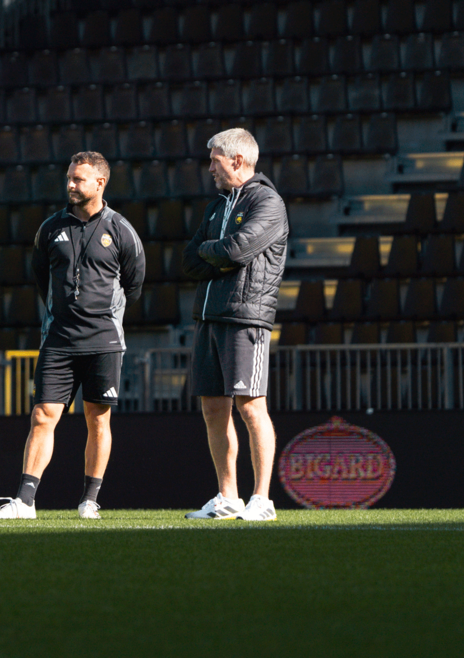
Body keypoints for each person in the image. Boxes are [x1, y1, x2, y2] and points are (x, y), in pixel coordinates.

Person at [0, 152, 145, 520]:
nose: (71, 184)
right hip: (58, 339)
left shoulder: (121, 229)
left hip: (104, 340)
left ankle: (90, 500)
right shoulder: (50, 228)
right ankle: (25, 501)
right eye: (70, 178)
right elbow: (41, 278)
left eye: (79, 179)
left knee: (98, 419)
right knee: (42, 415)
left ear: (100, 183)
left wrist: (105, 315)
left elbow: (134, 284)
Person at [182, 128, 288, 521]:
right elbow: (189, 260)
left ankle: (262, 499)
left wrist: (215, 252)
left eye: (214, 160)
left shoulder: (269, 203)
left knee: (250, 406)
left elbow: (238, 250)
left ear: (237, 161)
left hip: (246, 318)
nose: (209, 167)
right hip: (209, 317)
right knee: (213, 409)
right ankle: (228, 497)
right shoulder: (216, 207)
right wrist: (218, 255)